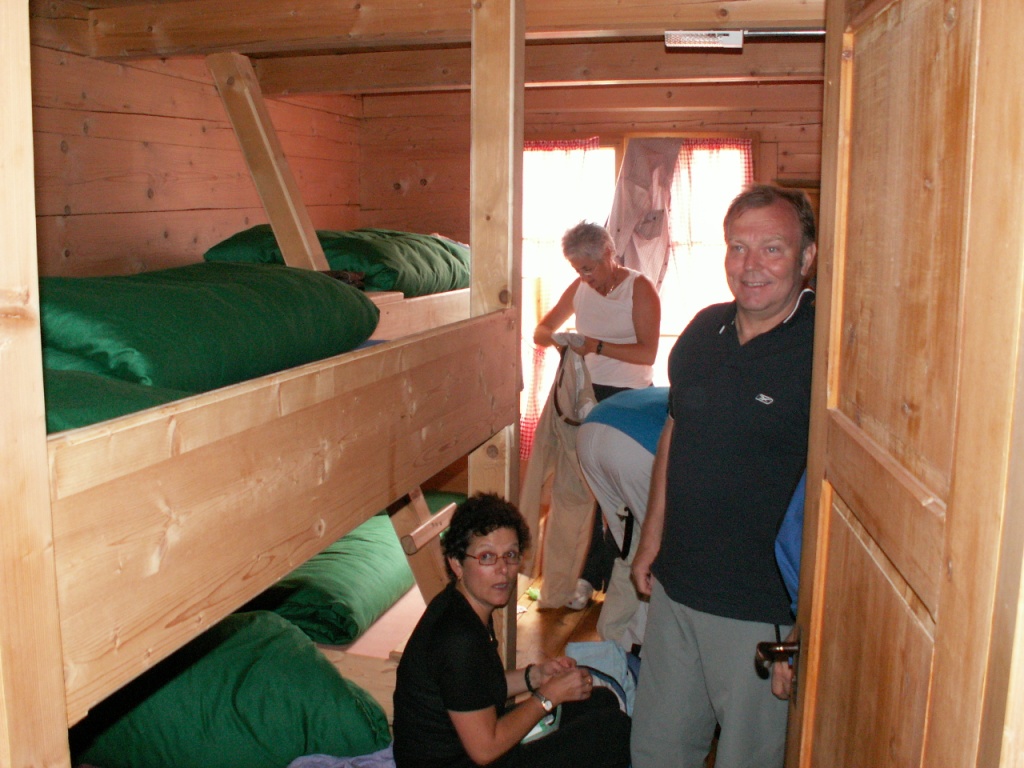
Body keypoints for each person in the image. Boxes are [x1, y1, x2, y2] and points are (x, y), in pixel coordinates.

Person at [629, 184, 817, 768]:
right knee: (655, 751)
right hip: (677, 588)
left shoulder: (825, 351)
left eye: (772, 249)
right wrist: (650, 540)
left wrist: (805, 626)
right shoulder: (701, 331)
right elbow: (674, 433)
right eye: (738, 247)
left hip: (761, 611)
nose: (750, 265)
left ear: (807, 257)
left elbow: (836, 500)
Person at [392, 493, 631, 768]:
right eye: (487, 557)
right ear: (457, 563)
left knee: (598, 701)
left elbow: (475, 689)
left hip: (466, 748)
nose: (503, 569)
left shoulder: (460, 605)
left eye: (511, 555)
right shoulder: (458, 639)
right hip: (462, 759)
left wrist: (536, 676)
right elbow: (485, 749)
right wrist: (548, 696)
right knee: (611, 731)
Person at [533, 221, 661, 610]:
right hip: (586, 395)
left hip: (629, 399)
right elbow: (541, 330)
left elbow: (647, 353)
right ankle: (585, 577)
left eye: (588, 268)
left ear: (608, 254)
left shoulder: (639, 288)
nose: (584, 277)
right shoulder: (580, 288)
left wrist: (596, 346)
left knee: (618, 497)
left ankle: (621, 578)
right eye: (577, 270)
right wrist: (558, 340)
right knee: (581, 490)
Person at [575, 386, 669, 652]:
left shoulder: (670, 393)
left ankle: (613, 640)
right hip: (637, 445)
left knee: (630, 551)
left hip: (590, 432)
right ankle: (638, 647)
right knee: (657, 556)